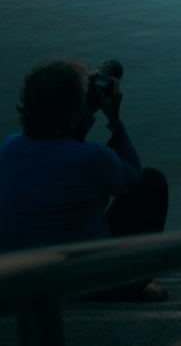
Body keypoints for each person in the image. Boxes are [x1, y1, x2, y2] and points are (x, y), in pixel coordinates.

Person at [0, 58, 169, 300]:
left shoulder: (8, 148)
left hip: (15, 278)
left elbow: (58, 152)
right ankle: (126, 286)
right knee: (152, 183)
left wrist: (81, 111)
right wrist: (114, 119)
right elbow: (133, 178)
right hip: (81, 283)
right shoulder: (92, 158)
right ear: (74, 109)